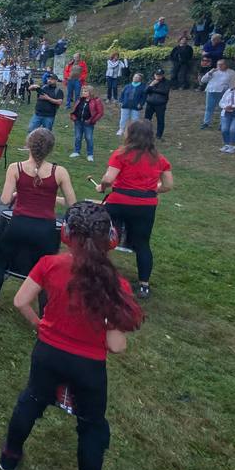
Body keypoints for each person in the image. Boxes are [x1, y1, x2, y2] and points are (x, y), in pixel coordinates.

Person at [0, 201, 143, 470]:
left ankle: (9, 457)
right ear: (111, 239)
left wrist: (41, 326)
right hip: (89, 366)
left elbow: (20, 301)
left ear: (65, 233)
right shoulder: (118, 285)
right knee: (92, 427)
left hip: (47, 352)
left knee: (31, 400)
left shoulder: (50, 264)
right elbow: (116, 346)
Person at [0, 128, 76, 318]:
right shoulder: (59, 172)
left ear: (28, 146)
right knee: (46, 271)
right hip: (46, 230)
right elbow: (72, 204)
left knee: (0, 261)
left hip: (19, 224)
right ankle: (45, 317)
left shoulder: (15, 168)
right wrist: (52, 197)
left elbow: (5, 199)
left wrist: (18, 193)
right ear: (50, 149)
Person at [96, 120, 175, 299]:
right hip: (145, 206)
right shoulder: (159, 159)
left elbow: (108, 179)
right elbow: (168, 185)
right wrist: (152, 190)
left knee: (106, 238)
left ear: (130, 135)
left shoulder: (121, 154)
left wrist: (102, 187)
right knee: (142, 244)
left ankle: (98, 274)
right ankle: (144, 285)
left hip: (119, 202)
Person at [69, 85, 104, 161]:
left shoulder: (96, 100)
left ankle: (90, 154)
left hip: (88, 123)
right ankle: (76, 152)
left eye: (85, 91)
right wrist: (73, 117)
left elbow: (100, 112)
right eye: (83, 91)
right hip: (78, 121)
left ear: (90, 92)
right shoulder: (80, 99)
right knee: (78, 137)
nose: (83, 93)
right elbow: (75, 109)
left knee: (88, 138)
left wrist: (92, 121)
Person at [200, 59, 235, 129]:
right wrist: (210, 73)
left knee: (222, 108)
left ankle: (222, 124)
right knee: (209, 108)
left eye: (221, 64)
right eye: (218, 64)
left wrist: (231, 92)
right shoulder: (214, 71)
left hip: (223, 92)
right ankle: (206, 123)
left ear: (226, 65)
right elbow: (203, 80)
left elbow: (233, 83)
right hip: (210, 91)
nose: (219, 66)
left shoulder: (231, 72)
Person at [143, 69, 171, 140]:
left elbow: (164, 91)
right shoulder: (151, 81)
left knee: (160, 120)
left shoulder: (167, 82)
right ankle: (146, 133)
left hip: (160, 104)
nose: (158, 76)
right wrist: (151, 85)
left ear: (163, 75)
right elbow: (145, 91)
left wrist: (152, 89)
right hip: (150, 103)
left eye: (160, 75)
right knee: (147, 119)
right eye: (156, 75)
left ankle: (159, 135)